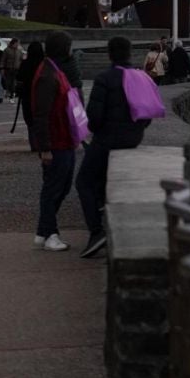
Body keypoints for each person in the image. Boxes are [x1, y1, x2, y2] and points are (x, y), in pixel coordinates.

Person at [76, 36, 151, 258]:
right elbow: (147, 114)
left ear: (110, 54)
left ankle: (96, 231)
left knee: (84, 182)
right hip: (133, 138)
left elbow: (94, 118)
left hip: (108, 139)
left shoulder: (104, 79)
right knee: (102, 180)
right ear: (129, 54)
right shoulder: (140, 77)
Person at [31, 32, 77, 252]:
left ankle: (43, 231)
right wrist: (45, 148)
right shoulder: (48, 75)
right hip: (57, 141)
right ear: (63, 48)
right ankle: (50, 233)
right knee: (53, 188)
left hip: (64, 139)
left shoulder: (53, 70)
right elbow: (41, 114)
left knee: (62, 186)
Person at [15, 41, 45, 146]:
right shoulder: (44, 64)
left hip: (27, 95)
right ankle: (42, 142)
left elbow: (19, 78)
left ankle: (34, 143)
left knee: (30, 121)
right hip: (42, 96)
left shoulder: (25, 63)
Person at [2, 37, 22, 103]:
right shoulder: (7, 50)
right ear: (13, 43)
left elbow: (21, 59)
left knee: (13, 83)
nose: (18, 44)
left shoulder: (19, 51)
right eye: (17, 43)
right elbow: (3, 60)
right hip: (8, 69)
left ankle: (11, 96)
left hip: (16, 69)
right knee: (8, 83)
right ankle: (8, 91)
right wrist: (2, 67)